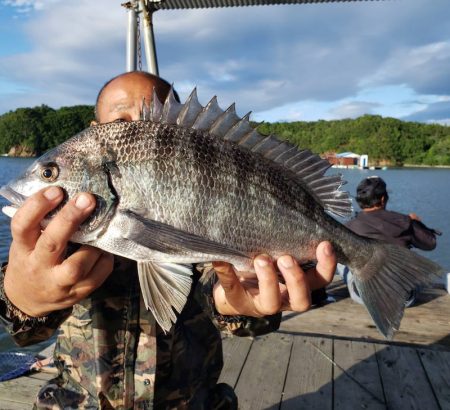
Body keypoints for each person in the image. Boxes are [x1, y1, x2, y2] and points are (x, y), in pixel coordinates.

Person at [0, 71, 337, 409]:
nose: (141, 129)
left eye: (157, 115)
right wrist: (21, 296)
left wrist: (239, 302)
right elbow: (26, 331)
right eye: (49, 174)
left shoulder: (197, 198)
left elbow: (219, 285)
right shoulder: (58, 240)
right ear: (95, 130)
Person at [340, 175, 438, 306]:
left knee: (341, 260)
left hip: (364, 297)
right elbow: (430, 244)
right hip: (404, 299)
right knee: (414, 260)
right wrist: (416, 223)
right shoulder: (405, 221)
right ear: (382, 199)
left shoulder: (348, 226)